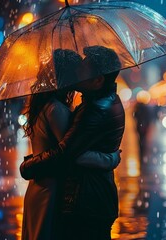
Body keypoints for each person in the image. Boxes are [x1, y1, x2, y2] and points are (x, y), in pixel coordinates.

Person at [20, 46, 125, 240]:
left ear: (97, 80)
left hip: (44, 185)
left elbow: (68, 152)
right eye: (77, 69)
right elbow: (69, 154)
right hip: (50, 188)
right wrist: (110, 159)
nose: (78, 74)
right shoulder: (58, 109)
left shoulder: (52, 104)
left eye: (82, 69)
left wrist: (31, 163)